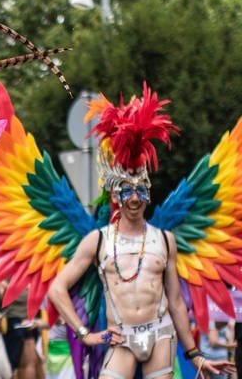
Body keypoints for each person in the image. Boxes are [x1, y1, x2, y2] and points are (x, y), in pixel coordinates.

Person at [48, 90, 235, 378]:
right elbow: (56, 289)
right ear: (115, 194)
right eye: (126, 190)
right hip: (120, 338)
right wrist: (85, 333)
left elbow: (174, 301)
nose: (134, 198)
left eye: (141, 190)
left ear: (148, 193)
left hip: (160, 336)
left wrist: (195, 355)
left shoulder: (164, 240)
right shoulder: (97, 240)